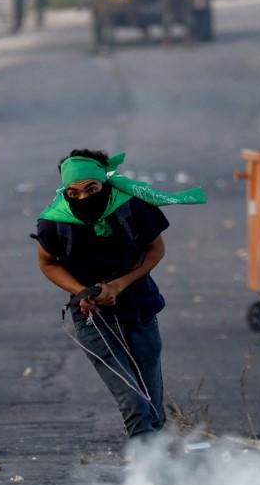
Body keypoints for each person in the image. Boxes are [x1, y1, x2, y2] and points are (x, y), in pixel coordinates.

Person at [34, 150, 205, 439]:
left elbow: (155, 249)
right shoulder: (54, 221)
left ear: (104, 184)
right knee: (134, 403)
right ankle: (147, 480)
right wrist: (80, 292)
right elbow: (47, 263)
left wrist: (119, 285)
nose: (83, 198)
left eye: (91, 189)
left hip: (140, 309)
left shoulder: (131, 207)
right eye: (73, 193)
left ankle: (157, 474)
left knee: (153, 409)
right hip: (93, 320)